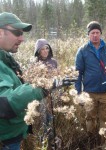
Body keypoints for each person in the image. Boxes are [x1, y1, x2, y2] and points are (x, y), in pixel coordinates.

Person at [0, 12, 47, 150]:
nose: (22, 38)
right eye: (17, 33)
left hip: (12, 137)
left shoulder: (4, 58)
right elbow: (4, 103)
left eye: (22, 34)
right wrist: (39, 88)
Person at [75, 21, 106, 147]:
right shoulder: (83, 50)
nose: (95, 35)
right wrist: (78, 93)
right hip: (90, 92)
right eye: (92, 33)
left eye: (97, 32)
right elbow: (78, 73)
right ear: (88, 34)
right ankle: (91, 142)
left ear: (100, 33)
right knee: (90, 119)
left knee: (104, 119)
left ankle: (103, 143)